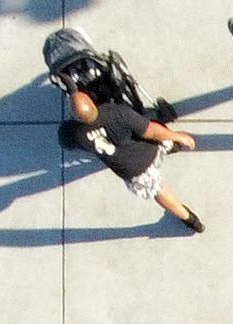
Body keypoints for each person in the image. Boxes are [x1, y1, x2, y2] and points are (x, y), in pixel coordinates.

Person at [68, 86, 205, 233]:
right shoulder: (115, 112)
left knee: (158, 191)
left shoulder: (73, 133)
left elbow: (67, 144)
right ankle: (174, 146)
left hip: (135, 171)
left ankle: (191, 221)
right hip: (150, 149)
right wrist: (179, 137)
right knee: (162, 134)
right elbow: (152, 131)